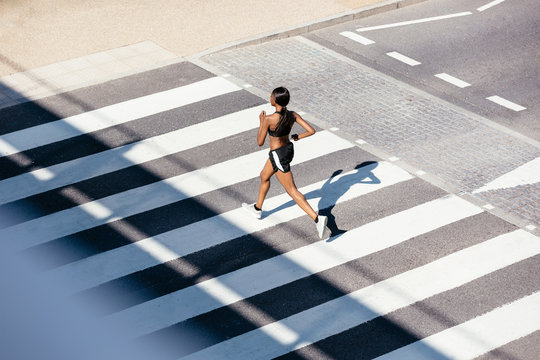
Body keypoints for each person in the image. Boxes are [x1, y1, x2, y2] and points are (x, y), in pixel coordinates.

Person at [242, 87, 328, 239]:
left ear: (275, 101)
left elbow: (260, 142)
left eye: (271, 96)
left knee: (292, 190)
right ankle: (257, 208)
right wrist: (297, 137)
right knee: (264, 176)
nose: (270, 98)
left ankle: (317, 218)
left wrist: (261, 122)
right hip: (287, 150)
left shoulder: (269, 119)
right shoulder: (292, 115)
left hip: (277, 155)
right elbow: (311, 130)